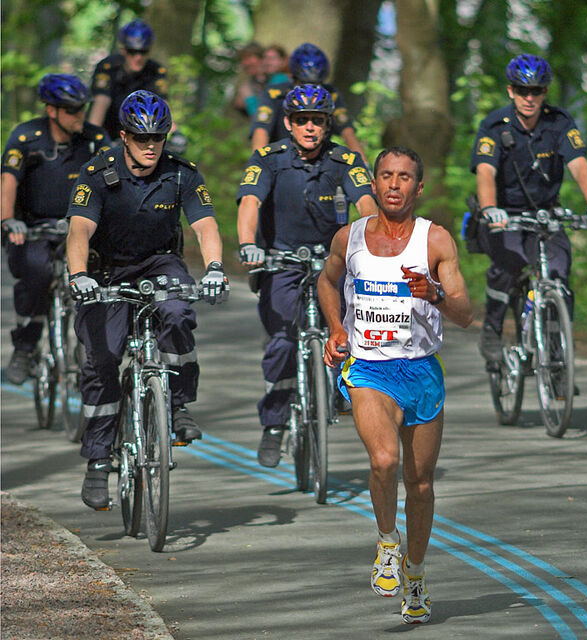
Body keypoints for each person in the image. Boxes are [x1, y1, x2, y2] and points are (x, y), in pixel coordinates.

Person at [318, 146, 473, 624]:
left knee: (420, 484)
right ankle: (388, 542)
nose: (394, 184)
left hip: (421, 371)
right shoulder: (350, 237)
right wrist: (336, 328)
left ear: (417, 187)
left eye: (404, 177)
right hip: (369, 368)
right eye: (386, 175)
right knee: (383, 459)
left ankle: (416, 573)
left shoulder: (435, 240)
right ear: (374, 183)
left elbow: (466, 314)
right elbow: (326, 282)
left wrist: (436, 294)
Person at [66, 90, 228, 510]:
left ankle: (177, 405)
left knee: (178, 314)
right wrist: (79, 275)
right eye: (141, 138)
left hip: (160, 263)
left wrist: (214, 268)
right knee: (103, 359)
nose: (151, 145)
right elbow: (79, 230)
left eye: (158, 137)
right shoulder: (97, 173)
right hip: (105, 270)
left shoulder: (182, 174)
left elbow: (205, 226)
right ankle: (98, 460)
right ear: (124, 136)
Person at [236, 84, 377, 468]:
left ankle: (339, 386)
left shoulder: (345, 160)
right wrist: (248, 244)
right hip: (282, 261)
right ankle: (275, 423)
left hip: (332, 263)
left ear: (328, 124)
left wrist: (374, 241)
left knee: (352, 328)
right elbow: (250, 202)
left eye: (317, 120)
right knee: (283, 342)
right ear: (288, 123)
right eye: (302, 120)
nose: (310, 127)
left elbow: (366, 203)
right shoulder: (268, 158)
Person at [470, 53, 587, 372]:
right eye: (522, 90)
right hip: (505, 215)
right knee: (507, 266)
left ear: (545, 92)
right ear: (511, 91)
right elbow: (486, 172)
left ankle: (557, 353)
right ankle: (492, 328)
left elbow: (579, 165)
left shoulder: (559, 123)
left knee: (558, 273)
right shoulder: (494, 125)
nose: (529, 98)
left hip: (546, 214)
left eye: (536, 91)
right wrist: (490, 209)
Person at [1, 73, 110, 385]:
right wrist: (8, 220)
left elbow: (113, 180)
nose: (80, 115)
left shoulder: (95, 138)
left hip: (81, 225)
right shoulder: (27, 137)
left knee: (105, 274)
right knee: (37, 273)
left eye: (82, 108)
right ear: (51, 110)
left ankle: (97, 345)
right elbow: (8, 180)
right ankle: (25, 347)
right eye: (72, 110)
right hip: (33, 226)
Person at [249, 42, 367, 162]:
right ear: (294, 78)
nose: (309, 91)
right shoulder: (275, 94)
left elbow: (347, 131)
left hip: (320, 163)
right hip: (281, 161)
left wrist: (363, 164)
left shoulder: (331, 94)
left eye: (316, 85)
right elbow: (261, 129)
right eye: (303, 84)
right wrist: (258, 161)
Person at [87, 18, 168, 141]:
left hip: (139, 136)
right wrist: (93, 135)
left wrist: (173, 132)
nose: (138, 57)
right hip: (107, 131)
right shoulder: (109, 67)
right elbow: (101, 102)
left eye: (143, 52)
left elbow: (162, 107)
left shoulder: (155, 71)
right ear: (123, 50)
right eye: (132, 51)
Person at [233, 42, 267, 117]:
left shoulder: (277, 79)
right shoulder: (251, 83)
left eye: (248, 57)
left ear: (261, 58)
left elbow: (264, 117)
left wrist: (248, 97)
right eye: (242, 59)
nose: (244, 63)